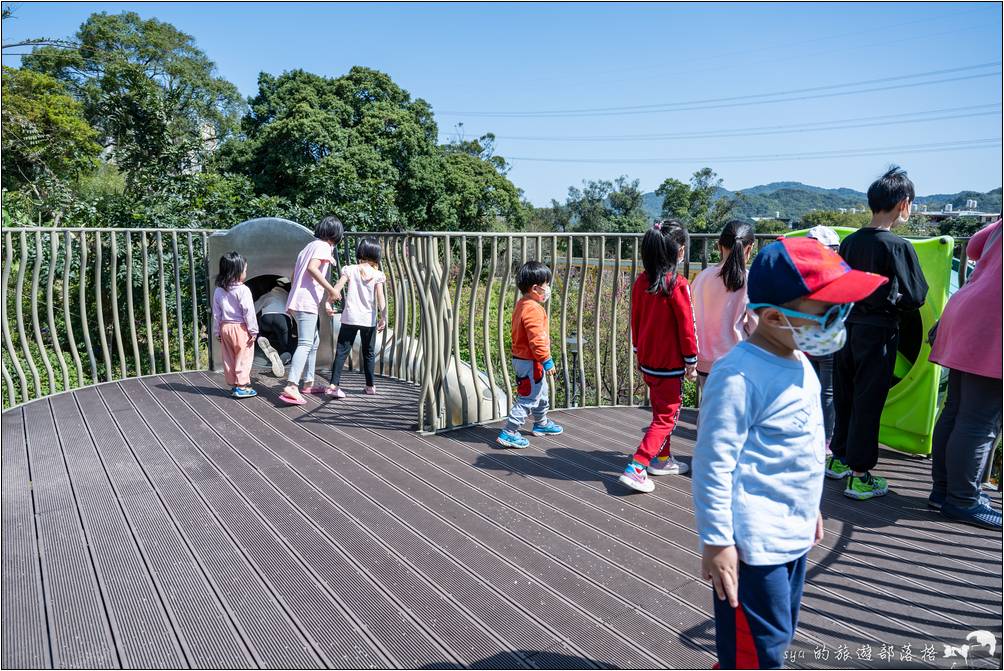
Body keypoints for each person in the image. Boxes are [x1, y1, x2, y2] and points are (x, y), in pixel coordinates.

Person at [693, 237, 887, 669]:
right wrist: (717, 541)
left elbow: (802, 447)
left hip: (792, 532)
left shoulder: (797, 358)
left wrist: (809, 505)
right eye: (829, 312)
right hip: (753, 546)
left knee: (774, 636)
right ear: (777, 316)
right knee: (760, 650)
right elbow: (713, 465)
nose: (838, 321)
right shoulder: (739, 375)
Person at [827, 166, 929, 500]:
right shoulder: (898, 246)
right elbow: (916, 296)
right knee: (868, 402)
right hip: (879, 333)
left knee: (844, 395)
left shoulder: (850, 242)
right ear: (904, 204)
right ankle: (860, 476)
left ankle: (839, 460)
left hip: (847, 328)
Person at [928, 218, 1002, 530]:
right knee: (980, 420)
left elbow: (972, 248)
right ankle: (963, 500)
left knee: (956, 408)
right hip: (993, 319)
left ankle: (944, 492)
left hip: (966, 309)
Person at [619, 220, 697, 493]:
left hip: (648, 361)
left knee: (659, 411)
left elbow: (636, 320)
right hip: (670, 364)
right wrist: (691, 361)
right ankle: (637, 466)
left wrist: (638, 351)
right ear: (679, 252)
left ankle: (662, 459)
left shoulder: (642, 281)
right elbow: (687, 327)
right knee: (667, 417)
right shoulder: (678, 284)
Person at [496, 260, 563, 448]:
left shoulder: (522, 304)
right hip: (531, 361)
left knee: (541, 392)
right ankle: (509, 432)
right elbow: (537, 338)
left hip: (526, 360)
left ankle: (541, 423)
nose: (548, 288)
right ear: (536, 288)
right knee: (528, 398)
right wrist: (546, 359)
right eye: (546, 284)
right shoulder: (533, 309)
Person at [279, 216, 344, 406]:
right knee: (306, 343)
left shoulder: (308, 247)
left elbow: (294, 274)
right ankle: (292, 385)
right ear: (336, 234)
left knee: (313, 341)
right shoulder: (323, 246)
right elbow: (312, 269)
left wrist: (322, 300)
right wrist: (332, 290)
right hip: (305, 302)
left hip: (298, 300)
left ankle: (308, 383)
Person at [691, 220, 757, 393]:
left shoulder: (702, 278)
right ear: (749, 248)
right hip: (737, 361)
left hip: (703, 361)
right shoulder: (749, 280)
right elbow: (756, 326)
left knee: (709, 408)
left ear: (719, 246)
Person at [328, 238, 388, 397]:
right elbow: (380, 297)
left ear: (360, 252)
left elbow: (338, 287)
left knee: (341, 351)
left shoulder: (350, 269)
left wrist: (329, 301)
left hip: (350, 318)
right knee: (368, 352)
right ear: (376, 254)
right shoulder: (378, 274)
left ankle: (333, 385)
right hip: (368, 320)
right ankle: (370, 386)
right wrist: (384, 316)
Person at [803, 225, 841, 450]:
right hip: (829, 342)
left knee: (808, 389)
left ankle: (807, 434)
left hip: (805, 339)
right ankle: (826, 439)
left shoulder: (801, 272)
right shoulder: (837, 273)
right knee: (828, 393)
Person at [212, 252, 259, 399]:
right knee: (243, 357)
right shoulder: (243, 290)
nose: (246, 273)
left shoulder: (219, 290)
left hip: (225, 327)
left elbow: (216, 313)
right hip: (240, 328)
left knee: (229, 357)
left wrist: (216, 331)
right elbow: (248, 312)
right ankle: (242, 386)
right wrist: (253, 331)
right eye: (244, 270)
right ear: (237, 272)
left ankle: (233, 384)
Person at [254, 277, 292, 378]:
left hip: (266, 318)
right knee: (287, 348)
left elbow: (254, 308)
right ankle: (282, 359)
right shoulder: (288, 295)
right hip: (282, 319)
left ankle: (261, 338)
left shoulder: (268, 295)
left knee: (264, 335)